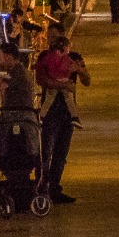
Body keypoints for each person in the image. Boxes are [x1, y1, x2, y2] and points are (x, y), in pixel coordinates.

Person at [35, 36, 90, 204]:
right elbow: (41, 79)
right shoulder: (44, 56)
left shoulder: (75, 57)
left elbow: (87, 80)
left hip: (66, 113)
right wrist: (62, 85)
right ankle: (42, 186)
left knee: (61, 153)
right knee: (46, 152)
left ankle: (54, 187)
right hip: (50, 113)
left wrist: (79, 70)